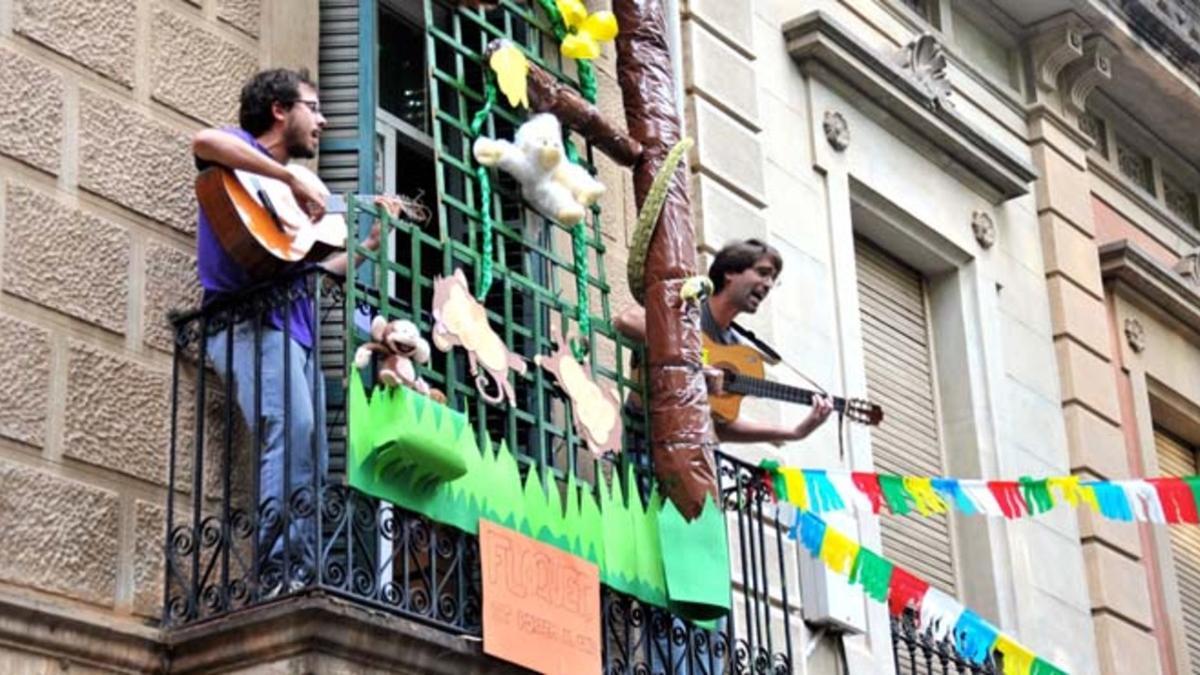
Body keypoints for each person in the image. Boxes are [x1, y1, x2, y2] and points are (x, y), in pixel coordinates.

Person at [192, 68, 381, 593]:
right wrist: (286, 176)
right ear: (279, 109)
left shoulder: (289, 210)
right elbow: (203, 141)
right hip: (250, 325)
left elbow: (308, 271)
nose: (321, 120)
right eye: (313, 107)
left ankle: (303, 564)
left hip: (292, 335)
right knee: (292, 433)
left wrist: (366, 249)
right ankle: (280, 570)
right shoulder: (242, 151)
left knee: (314, 450)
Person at [615, 238, 833, 447]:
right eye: (763, 273)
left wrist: (795, 432)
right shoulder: (690, 306)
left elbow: (721, 427)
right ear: (730, 272)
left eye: (773, 280)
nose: (768, 284)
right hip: (647, 434)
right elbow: (627, 320)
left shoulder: (734, 348)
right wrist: (695, 364)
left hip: (693, 448)